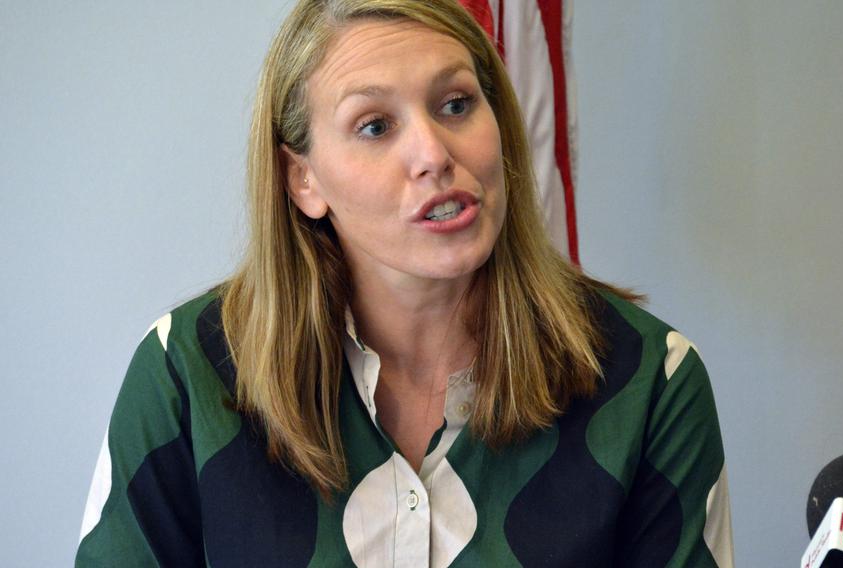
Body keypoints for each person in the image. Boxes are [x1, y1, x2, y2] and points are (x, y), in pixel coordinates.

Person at [75, 0, 734, 566]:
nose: (434, 154)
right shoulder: (187, 374)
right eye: (375, 126)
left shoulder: (650, 381)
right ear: (302, 179)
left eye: (456, 104)